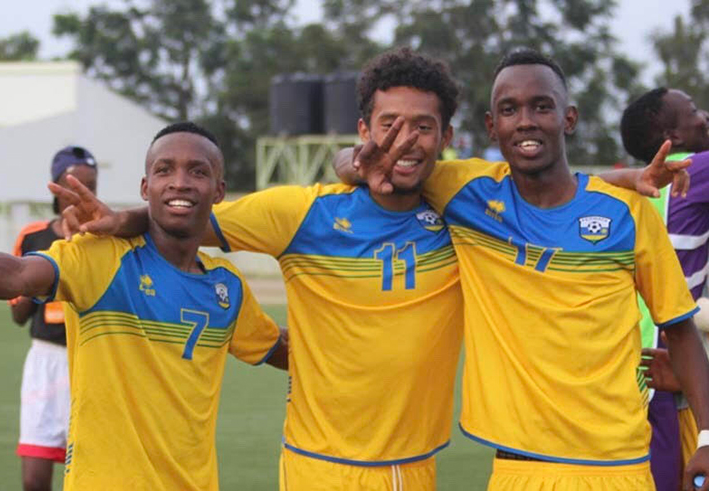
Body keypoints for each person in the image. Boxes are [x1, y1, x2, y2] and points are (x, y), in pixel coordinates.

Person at [48, 47, 689, 490]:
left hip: (420, 467)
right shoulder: (298, 213)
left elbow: (542, 182)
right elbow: (187, 220)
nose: (404, 141)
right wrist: (124, 218)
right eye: (388, 125)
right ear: (363, 130)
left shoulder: (463, 208)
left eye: (422, 127)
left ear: (447, 139)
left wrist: (622, 180)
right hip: (319, 466)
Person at [339, 48, 709, 490]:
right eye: (509, 110)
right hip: (517, 470)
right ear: (491, 126)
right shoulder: (465, 192)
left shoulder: (628, 214)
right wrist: (354, 163)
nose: (526, 121)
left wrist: (707, 437)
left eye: (542, 106)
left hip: (618, 468)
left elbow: (680, 329)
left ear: (568, 118)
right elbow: (367, 161)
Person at [0, 122, 288, 491]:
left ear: (219, 191)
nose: (180, 182)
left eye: (198, 171)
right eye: (164, 170)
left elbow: (280, 349)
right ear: (145, 188)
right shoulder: (100, 258)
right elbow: (17, 274)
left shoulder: (226, 287)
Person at [622, 87, 709, 490]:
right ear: (672, 138)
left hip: (648, 357)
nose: (705, 115)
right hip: (667, 360)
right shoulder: (694, 168)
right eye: (693, 111)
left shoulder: (648, 188)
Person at [9, 146, 97, 491]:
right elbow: (18, 315)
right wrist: (45, 272)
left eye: (91, 185)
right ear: (56, 187)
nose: (83, 192)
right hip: (46, 363)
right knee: (34, 480)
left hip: (93, 361)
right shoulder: (33, 237)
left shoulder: (106, 237)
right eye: (74, 184)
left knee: (94, 474)